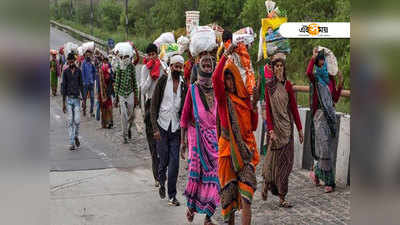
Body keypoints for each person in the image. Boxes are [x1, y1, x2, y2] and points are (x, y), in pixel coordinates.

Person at [212, 45, 259, 225]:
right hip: (226, 153)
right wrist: (225, 54)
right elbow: (216, 78)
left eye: (231, 78)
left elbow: (253, 127)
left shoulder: (245, 101)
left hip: (246, 152)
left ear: (237, 80)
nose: (228, 83)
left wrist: (254, 106)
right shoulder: (223, 101)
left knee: (247, 196)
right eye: (226, 79)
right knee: (229, 200)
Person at [180, 50, 219, 225]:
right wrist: (183, 142)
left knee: (216, 176)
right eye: (204, 62)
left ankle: (209, 216)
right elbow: (184, 116)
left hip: (214, 139)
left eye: (210, 62)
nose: (207, 64)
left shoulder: (218, 88)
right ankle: (191, 206)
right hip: (196, 139)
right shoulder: (193, 89)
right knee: (197, 177)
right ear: (199, 65)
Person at [261, 56, 304, 208]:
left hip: (287, 129)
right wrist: (271, 130)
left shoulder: (288, 86)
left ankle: (282, 195)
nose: (279, 68)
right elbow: (269, 111)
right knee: (273, 162)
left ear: (284, 68)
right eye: (276, 66)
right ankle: (268, 184)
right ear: (272, 69)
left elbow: (294, 109)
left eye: (281, 66)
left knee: (287, 164)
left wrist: (299, 129)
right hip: (275, 130)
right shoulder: (269, 87)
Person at [306, 48, 344, 193]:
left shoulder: (330, 79)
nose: (322, 62)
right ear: (317, 62)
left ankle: (316, 171)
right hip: (319, 116)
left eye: (323, 60)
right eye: (320, 60)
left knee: (326, 147)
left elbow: (334, 98)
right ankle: (329, 182)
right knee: (324, 148)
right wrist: (312, 58)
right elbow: (308, 73)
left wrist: (340, 83)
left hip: (330, 117)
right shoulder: (315, 78)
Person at [150, 55, 186, 206]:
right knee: (163, 160)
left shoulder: (184, 85)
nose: (177, 69)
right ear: (170, 66)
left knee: (175, 163)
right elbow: (153, 106)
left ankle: (172, 195)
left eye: (180, 67)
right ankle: (161, 180)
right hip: (162, 127)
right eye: (175, 66)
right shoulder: (163, 81)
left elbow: (184, 109)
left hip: (176, 129)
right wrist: (155, 129)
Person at [141, 43, 164, 187]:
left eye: (153, 54)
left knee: (163, 143)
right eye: (149, 55)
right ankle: (157, 176)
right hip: (150, 106)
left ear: (157, 54)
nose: (151, 57)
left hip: (163, 106)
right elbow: (143, 89)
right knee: (153, 145)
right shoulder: (144, 69)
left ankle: (163, 172)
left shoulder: (163, 67)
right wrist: (150, 75)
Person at [114, 50, 139, 144]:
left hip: (130, 92)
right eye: (124, 57)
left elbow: (134, 81)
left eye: (127, 57)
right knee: (123, 114)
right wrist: (116, 97)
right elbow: (117, 82)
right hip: (121, 93)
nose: (125, 59)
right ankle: (124, 136)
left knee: (132, 115)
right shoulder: (119, 67)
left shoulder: (132, 67)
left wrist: (136, 96)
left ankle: (128, 128)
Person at [61, 53, 83, 151]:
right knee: (70, 121)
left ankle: (76, 136)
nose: (71, 62)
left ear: (74, 61)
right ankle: (71, 143)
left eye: (72, 61)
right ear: (68, 61)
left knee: (77, 121)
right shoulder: (65, 72)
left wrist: (84, 101)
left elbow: (81, 85)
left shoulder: (79, 71)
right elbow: (63, 87)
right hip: (69, 99)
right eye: (69, 61)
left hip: (77, 99)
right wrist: (63, 103)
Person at [98, 57, 114, 129]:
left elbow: (112, 81)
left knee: (109, 108)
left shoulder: (109, 72)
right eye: (104, 61)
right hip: (103, 94)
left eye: (106, 61)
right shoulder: (101, 73)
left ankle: (110, 122)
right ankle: (105, 123)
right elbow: (100, 85)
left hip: (107, 93)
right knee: (104, 109)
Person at [81, 49, 96, 117]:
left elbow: (94, 71)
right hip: (85, 84)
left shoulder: (91, 63)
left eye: (89, 54)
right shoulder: (83, 63)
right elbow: (82, 73)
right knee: (84, 98)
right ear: (85, 55)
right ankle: (84, 109)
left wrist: (93, 79)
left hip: (91, 83)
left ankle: (91, 111)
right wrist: (83, 82)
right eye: (87, 54)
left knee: (92, 98)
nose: (88, 55)